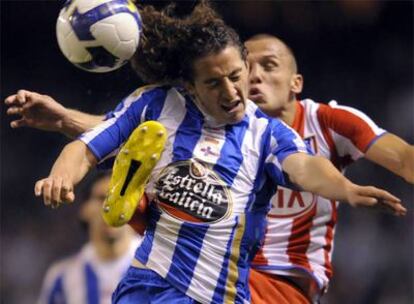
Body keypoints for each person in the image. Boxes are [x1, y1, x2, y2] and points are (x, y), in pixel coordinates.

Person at [5, 3, 406, 303]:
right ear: (191, 85)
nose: (232, 92)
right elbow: (87, 148)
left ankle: (137, 195)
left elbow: (304, 168)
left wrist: (345, 189)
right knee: (149, 154)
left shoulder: (268, 134)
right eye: (214, 83)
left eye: (236, 77)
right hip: (146, 283)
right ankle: (135, 193)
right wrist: (61, 175)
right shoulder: (157, 104)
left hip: (220, 291)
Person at [244, 34, 414, 304]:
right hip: (227, 274)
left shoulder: (325, 121)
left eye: (268, 65)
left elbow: (405, 160)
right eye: (246, 68)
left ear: (295, 82)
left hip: (286, 281)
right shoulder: (221, 133)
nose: (254, 76)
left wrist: (348, 190)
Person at [37, 171, 140, 304]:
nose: (111, 207)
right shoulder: (62, 278)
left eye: (120, 198)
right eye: (102, 198)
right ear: (85, 209)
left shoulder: (158, 267)